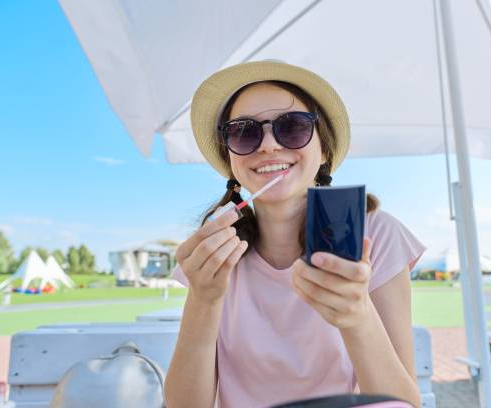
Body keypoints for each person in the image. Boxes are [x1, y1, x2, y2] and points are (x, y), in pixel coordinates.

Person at [165, 60, 425, 408]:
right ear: (231, 161)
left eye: (293, 127)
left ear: (324, 151)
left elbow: (402, 403)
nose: (269, 146)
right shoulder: (214, 256)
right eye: (244, 132)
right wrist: (204, 298)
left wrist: (357, 317)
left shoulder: (376, 233)